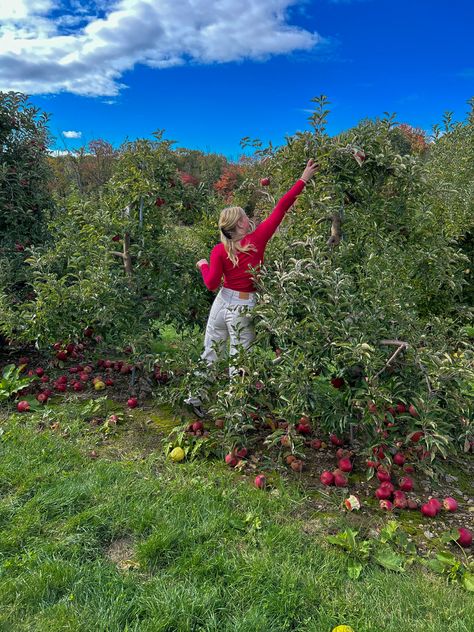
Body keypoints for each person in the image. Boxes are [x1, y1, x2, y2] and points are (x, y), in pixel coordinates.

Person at [184, 158, 319, 416]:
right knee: (239, 359)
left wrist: (202, 265)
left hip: (222, 302)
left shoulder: (218, 251)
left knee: (211, 351)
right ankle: (237, 410)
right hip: (244, 306)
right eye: (246, 217)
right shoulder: (257, 239)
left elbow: (212, 284)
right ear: (241, 225)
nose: (250, 218)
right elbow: (281, 207)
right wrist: (303, 178)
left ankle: (195, 398)